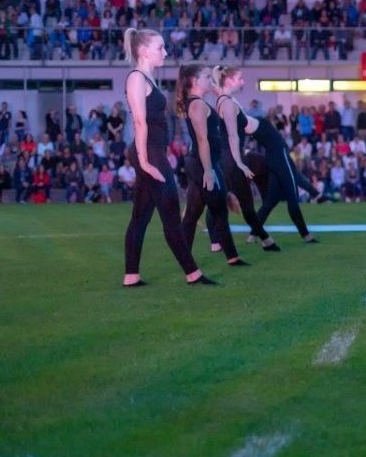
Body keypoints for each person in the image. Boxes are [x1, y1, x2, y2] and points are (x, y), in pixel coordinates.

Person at [120, 29, 212, 287]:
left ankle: (131, 276)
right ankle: (193, 274)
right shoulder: (137, 78)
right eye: (160, 47)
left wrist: (160, 154)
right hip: (147, 153)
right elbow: (139, 122)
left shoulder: (147, 78)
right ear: (143, 50)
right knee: (171, 213)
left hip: (153, 152)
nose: (165, 52)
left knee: (140, 216)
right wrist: (146, 160)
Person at [177, 64, 249, 267]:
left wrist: (218, 77)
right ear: (195, 81)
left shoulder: (198, 101)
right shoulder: (197, 105)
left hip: (202, 162)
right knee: (218, 211)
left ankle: (186, 257)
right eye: (207, 77)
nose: (211, 80)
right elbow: (202, 140)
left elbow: (220, 91)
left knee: (192, 214)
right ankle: (232, 258)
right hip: (202, 164)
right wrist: (208, 170)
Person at [215, 67, 281, 252]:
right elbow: (232, 136)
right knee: (246, 205)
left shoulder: (226, 99)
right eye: (240, 79)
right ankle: (266, 240)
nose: (243, 82)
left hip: (228, 157)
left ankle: (265, 240)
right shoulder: (226, 103)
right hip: (230, 158)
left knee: (222, 202)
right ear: (228, 80)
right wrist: (239, 162)